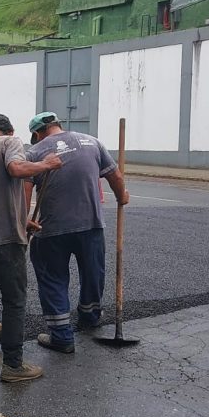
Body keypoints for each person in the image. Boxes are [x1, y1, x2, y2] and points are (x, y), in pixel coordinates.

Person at [0, 114, 62, 383]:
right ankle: (13, 365)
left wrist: (23, 221)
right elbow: (17, 169)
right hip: (3, 237)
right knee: (14, 299)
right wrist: (45, 164)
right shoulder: (10, 142)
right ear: (8, 130)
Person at [25, 111, 129, 354]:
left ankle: (62, 335)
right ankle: (90, 315)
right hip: (90, 225)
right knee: (93, 272)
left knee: (53, 278)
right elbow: (115, 176)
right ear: (59, 125)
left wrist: (25, 221)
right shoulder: (92, 142)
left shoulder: (35, 152)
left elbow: (25, 191)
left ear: (37, 133)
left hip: (50, 229)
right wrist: (122, 196)